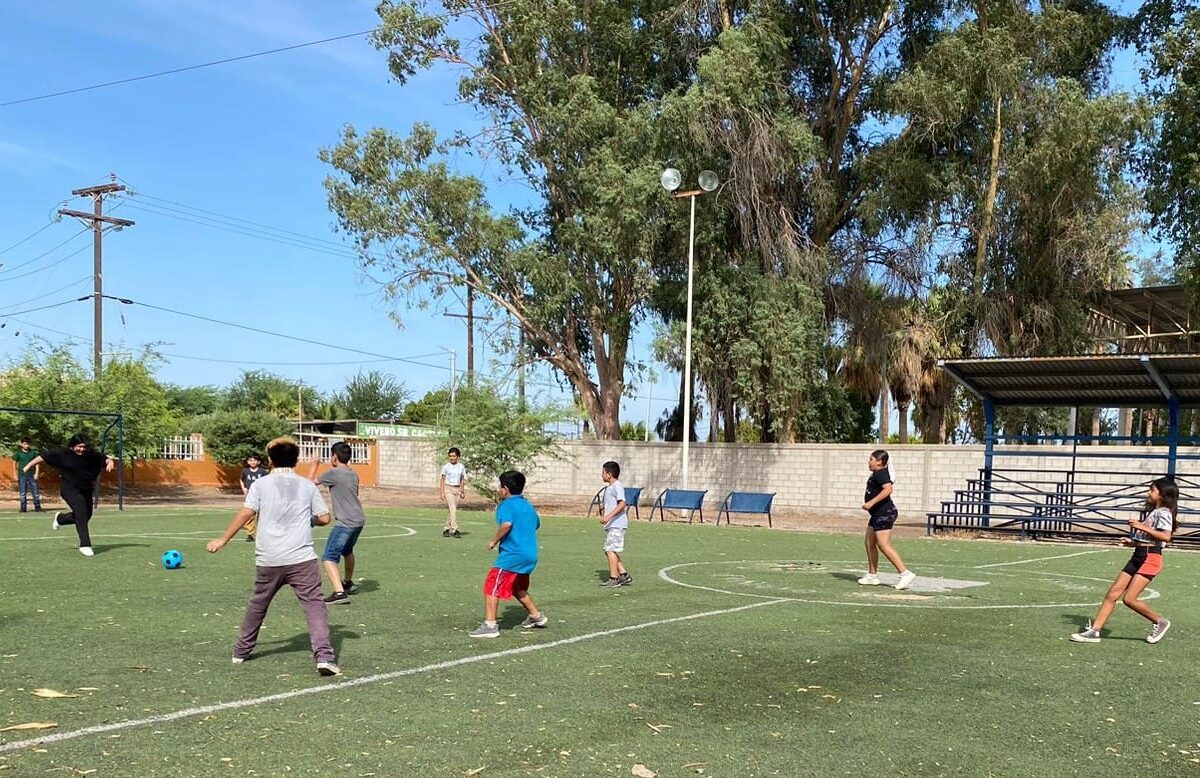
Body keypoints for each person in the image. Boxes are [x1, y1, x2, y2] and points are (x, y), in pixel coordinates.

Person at [206, 436, 341, 677]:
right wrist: (307, 519)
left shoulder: (261, 485)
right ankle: (324, 656)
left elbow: (247, 513)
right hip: (301, 558)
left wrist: (223, 539)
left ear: (270, 460)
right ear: (297, 460)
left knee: (258, 604)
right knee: (314, 606)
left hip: (269, 557)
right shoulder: (307, 485)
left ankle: (241, 651)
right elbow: (325, 518)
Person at [1070, 477, 1177, 645]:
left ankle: (1160, 621)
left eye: (1152, 490)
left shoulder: (1164, 512)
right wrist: (1133, 542)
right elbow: (1151, 537)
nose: (1148, 493)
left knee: (1129, 599)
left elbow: (1165, 536)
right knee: (1112, 594)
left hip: (1151, 557)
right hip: (1139, 554)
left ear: (1162, 494)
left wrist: (1141, 526)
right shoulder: (1155, 512)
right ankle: (1095, 631)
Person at [470, 470, 548, 638]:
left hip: (514, 554)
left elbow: (506, 524)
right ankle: (536, 616)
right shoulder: (528, 505)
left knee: (492, 583)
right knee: (517, 587)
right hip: (530, 554)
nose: (499, 490)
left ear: (505, 489)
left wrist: (494, 540)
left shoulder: (506, 505)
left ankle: (490, 625)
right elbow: (536, 524)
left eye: (500, 487)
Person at [24, 434, 115, 556]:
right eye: (79, 447)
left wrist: (110, 462)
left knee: (86, 515)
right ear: (72, 446)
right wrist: (28, 465)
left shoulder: (91, 454)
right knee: (81, 513)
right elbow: (43, 456)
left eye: (84, 447)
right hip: (69, 489)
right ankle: (85, 544)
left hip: (86, 489)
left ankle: (60, 519)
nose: (82, 450)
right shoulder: (62, 453)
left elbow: (105, 459)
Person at [309, 441, 366, 606]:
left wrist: (314, 463)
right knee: (347, 551)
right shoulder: (353, 473)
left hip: (346, 521)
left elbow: (309, 483)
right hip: (358, 519)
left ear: (334, 457)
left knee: (329, 557)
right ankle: (348, 583)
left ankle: (339, 592)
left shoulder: (334, 473)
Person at [857, 450, 916, 591]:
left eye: (871, 459)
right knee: (869, 542)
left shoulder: (880, 473)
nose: (868, 461)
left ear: (878, 461)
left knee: (883, 545)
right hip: (877, 514)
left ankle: (905, 573)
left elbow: (888, 489)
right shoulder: (877, 473)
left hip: (884, 513)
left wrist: (870, 503)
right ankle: (872, 575)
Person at [597, 460, 632, 587]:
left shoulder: (617, 485)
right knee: (609, 550)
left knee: (610, 549)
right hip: (612, 524)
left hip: (617, 523)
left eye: (603, 472)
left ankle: (614, 578)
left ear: (609, 474)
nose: (602, 475)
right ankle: (623, 574)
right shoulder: (610, 487)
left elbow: (622, 503)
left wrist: (608, 516)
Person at [239, 454, 268, 542]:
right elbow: (241, 479)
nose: (252, 462)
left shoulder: (263, 471)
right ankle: (250, 534)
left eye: (254, 460)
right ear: (248, 462)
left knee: (262, 514)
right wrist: (243, 488)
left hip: (262, 495)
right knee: (250, 514)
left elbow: (268, 481)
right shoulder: (245, 471)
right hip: (250, 495)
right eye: (250, 460)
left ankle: (261, 534)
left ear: (258, 462)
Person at [440, 447, 466, 538]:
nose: (452, 458)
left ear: (458, 457)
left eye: (454, 456)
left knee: (451, 511)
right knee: (453, 509)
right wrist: (442, 492)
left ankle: (446, 528)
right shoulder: (446, 466)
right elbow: (442, 479)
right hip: (448, 489)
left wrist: (462, 491)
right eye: (450, 456)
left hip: (457, 489)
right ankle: (455, 529)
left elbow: (462, 479)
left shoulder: (461, 466)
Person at [12, 437, 43, 513]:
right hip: (22, 475)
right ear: (21, 444)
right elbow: (14, 463)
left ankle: (37, 507)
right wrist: (15, 474)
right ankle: (23, 508)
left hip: (32, 475)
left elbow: (37, 464)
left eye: (28, 444)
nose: (26, 446)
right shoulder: (18, 453)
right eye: (25, 444)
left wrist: (36, 473)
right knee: (22, 492)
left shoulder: (33, 453)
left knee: (35, 492)